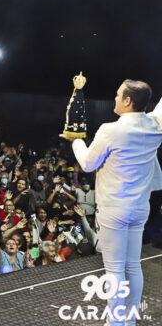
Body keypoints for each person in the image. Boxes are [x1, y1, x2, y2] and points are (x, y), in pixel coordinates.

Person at [60, 79, 162, 326]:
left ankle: (115, 323)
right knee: (132, 266)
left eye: (118, 95)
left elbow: (87, 163)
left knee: (115, 271)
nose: (114, 99)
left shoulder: (110, 130)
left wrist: (75, 140)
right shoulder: (155, 125)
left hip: (114, 209)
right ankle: (129, 320)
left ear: (127, 101)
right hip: (140, 208)